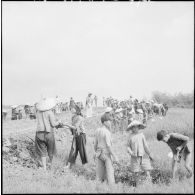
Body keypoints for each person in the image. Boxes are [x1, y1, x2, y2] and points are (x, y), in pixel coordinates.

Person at [35, 97, 63, 170]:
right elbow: (53, 124)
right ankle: (51, 165)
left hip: (39, 133)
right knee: (51, 150)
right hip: (48, 133)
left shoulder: (38, 112)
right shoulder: (50, 113)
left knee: (42, 151)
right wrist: (59, 122)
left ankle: (44, 168)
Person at [94, 113, 118, 186]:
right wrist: (115, 156)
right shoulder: (107, 132)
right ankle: (112, 188)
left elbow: (95, 144)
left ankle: (98, 187)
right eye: (109, 121)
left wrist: (96, 152)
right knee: (110, 171)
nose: (110, 123)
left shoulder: (97, 130)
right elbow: (109, 146)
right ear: (104, 122)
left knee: (99, 173)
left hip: (99, 153)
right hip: (106, 154)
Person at [126, 120, 154, 186]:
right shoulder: (130, 136)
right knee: (136, 172)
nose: (135, 128)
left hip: (143, 155)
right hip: (134, 156)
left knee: (147, 170)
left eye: (136, 127)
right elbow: (127, 146)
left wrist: (150, 154)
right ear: (131, 128)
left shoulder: (141, 135)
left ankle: (150, 185)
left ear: (139, 128)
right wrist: (130, 152)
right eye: (133, 127)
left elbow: (145, 146)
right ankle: (138, 185)